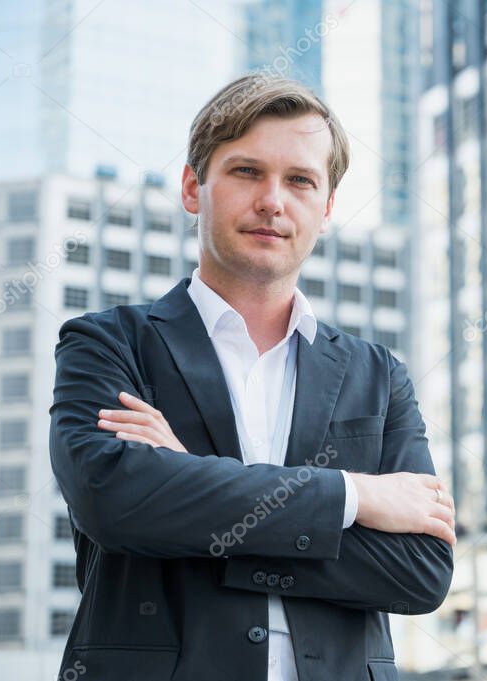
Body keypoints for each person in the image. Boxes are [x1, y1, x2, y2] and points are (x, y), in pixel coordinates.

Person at [49, 74, 455, 681]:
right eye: (246, 172)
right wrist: (354, 496)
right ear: (193, 187)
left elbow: (421, 571)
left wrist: (189, 490)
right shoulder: (108, 344)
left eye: (299, 181)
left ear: (326, 208)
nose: (273, 200)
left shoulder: (380, 377)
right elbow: (114, 500)